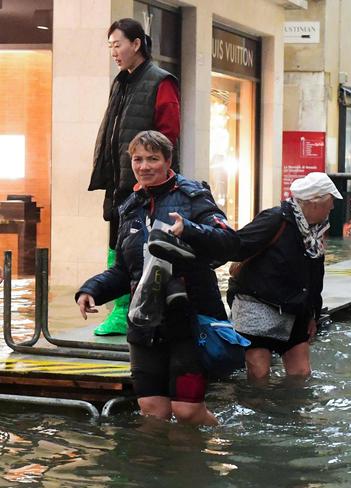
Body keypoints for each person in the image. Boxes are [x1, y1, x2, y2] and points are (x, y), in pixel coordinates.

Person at [76, 131, 238, 425]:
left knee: (187, 411)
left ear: (168, 161)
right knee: (152, 409)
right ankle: (159, 468)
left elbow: (228, 241)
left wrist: (189, 229)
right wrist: (91, 290)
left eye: (153, 158)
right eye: (138, 159)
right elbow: (124, 270)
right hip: (144, 323)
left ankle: (216, 457)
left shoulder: (193, 195)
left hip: (188, 320)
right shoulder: (129, 207)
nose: (145, 166)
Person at [88, 18, 181, 336]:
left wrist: (150, 175)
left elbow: (168, 136)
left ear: (136, 44)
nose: (114, 52)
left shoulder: (160, 81)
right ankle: (120, 308)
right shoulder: (121, 81)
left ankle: (137, 309)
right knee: (117, 241)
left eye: (118, 44)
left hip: (145, 184)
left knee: (139, 246)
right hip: (120, 182)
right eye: (110, 46)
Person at [227, 172, 340, 380]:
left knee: (301, 373)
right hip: (257, 305)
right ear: (315, 203)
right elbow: (236, 245)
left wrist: (312, 314)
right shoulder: (275, 219)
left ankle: (292, 411)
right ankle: (259, 411)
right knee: (259, 374)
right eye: (330, 201)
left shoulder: (316, 232)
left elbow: (315, 277)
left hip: (294, 307)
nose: (332, 207)